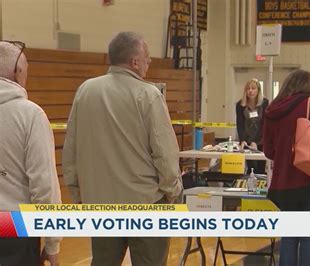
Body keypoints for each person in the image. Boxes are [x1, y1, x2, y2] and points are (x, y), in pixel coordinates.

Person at [62, 32, 183, 266]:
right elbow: (165, 154)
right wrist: (172, 193)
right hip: (145, 204)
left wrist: (78, 195)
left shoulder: (85, 91)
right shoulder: (149, 95)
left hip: (101, 205)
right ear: (134, 62)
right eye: (147, 59)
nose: (149, 64)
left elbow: (71, 151)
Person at [263, 70, 310, 265]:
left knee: (288, 237)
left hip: (283, 184)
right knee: (308, 237)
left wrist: (285, 156)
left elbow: (268, 150)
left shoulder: (272, 110)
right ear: (309, 86)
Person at [0, 41, 61, 265]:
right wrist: (53, 242)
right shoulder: (30, 115)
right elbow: (44, 185)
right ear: (18, 71)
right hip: (15, 229)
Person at [236, 78, 269, 174]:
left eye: (253, 88)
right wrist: (243, 140)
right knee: (250, 168)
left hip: (261, 139)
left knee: (260, 168)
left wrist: (256, 142)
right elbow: (240, 124)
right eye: (248, 88)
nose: (250, 91)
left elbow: (264, 124)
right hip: (247, 139)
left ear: (258, 90)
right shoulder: (240, 105)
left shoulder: (264, 103)